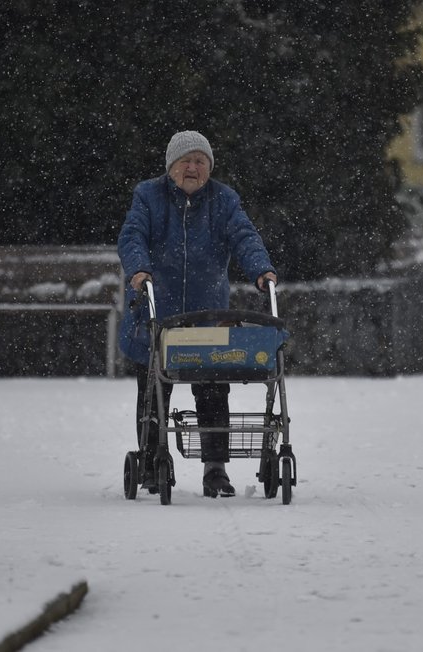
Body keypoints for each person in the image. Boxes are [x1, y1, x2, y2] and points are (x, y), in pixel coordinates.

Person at [118, 130, 277, 498]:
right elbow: (132, 235)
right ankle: (151, 460)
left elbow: (244, 236)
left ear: (208, 168)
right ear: (171, 166)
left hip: (207, 315)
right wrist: (139, 269)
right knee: (153, 390)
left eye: (200, 161)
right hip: (157, 312)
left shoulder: (224, 200)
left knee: (212, 389)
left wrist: (261, 269)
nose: (193, 167)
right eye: (186, 161)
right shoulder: (148, 195)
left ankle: (215, 468)